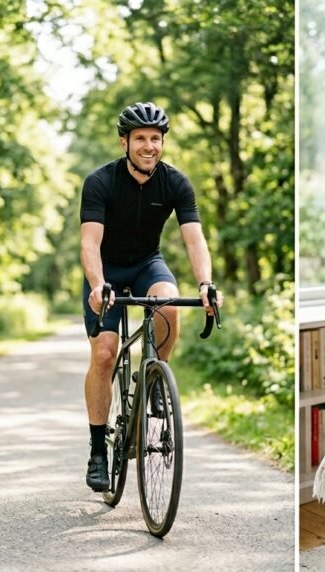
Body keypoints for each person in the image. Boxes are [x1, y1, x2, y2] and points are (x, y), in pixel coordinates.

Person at [80, 101, 223, 492]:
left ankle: (155, 376)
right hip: (106, 270)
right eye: (140, 138)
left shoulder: (176, 183)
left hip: (147, 263)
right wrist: (98, 284)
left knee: (169, 303)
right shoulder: (100, 181)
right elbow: (89, 243)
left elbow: (194, 240)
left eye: (155, 138)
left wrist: (205, 284)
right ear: (124, 142)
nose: (149, 146)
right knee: (104, 353)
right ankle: (98, 450)